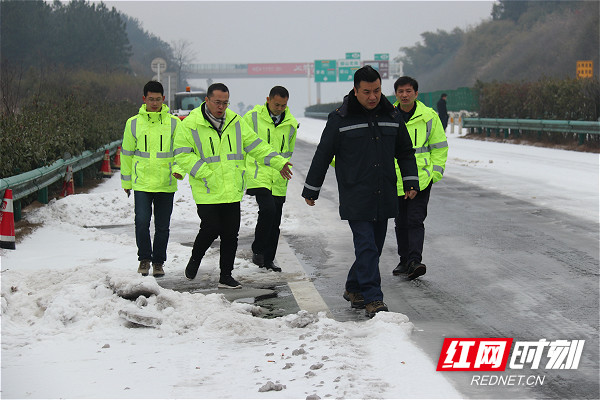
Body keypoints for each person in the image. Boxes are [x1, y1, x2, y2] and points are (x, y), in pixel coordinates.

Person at [301, 66, 419, 318]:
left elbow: (405, 151)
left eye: (377, 90)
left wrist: (410, 181)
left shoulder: (392, 116)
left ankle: (354, 287)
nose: (373, 96)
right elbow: (323, 154)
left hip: (384, 192)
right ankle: (373, 298)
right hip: (355, 194)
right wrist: (312, 188)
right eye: (366, 92)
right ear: (355, 91)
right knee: (366, 246)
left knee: (373, 247)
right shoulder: (340, 119)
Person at [174, 83, 293, 289]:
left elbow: (256, 145)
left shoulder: (236, 122)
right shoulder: (190, 124)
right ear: (207, 101)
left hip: (232, 187)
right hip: (207, 188)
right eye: (217, 102)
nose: (221, 107)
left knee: (230, 234)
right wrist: (205, 173)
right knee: (211, 228)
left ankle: (226, 276)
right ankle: (195, 259)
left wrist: (278, 161)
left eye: (225, 103)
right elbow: (182, 155)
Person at [121, 80, 185, 277]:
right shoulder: (133, 123)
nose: (154, 103)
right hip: (142, 182)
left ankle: (158, 262)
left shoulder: (174, 123)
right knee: (141, 221)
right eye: (151, 99)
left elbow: (180, 152)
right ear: (144, 99)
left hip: (166, 182)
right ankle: (144, 259)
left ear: (164, 99)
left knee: (162, 226)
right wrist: (126, 182)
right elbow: (126, 154)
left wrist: (178, 170)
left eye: (158, 99)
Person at [392, 76, 448, 280]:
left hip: (422, 179)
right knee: (400, 221)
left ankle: (415, 261)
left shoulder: (429, 116)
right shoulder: (389, 116)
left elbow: (439, 147)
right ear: (396, 94)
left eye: (408, 91)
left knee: (415, 219)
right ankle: (403, 260)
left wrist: (435, 174)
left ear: (416, 93)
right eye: (400, 91)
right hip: (396, 179)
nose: (404, 95)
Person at [243, 86, 299, 272]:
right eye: (277, 104)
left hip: (278, 176)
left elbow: (288, 151)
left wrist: (283, 166)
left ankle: (268, 260)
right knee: (267, 209)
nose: (280, 108)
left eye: (283, 105)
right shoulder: (251, 118)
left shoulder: (291, 124)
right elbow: (243, 144)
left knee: (275, 219)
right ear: (268, 99)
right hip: (258, 173)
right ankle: (258, 249)